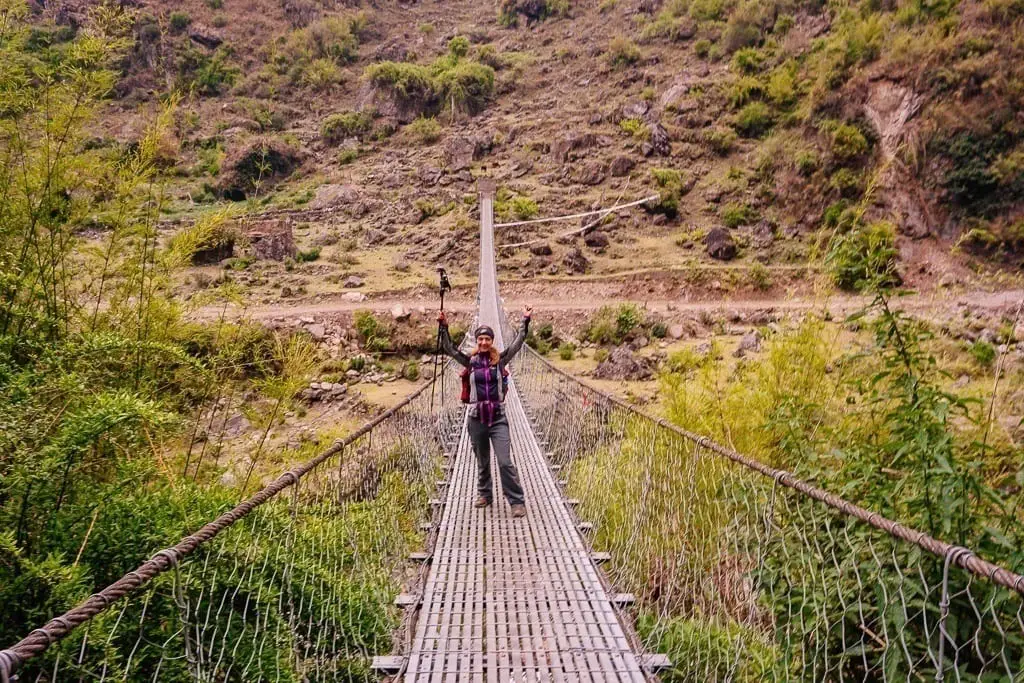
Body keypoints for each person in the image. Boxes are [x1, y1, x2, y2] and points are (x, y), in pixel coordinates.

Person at [437, 306, 533, 518]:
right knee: (482, 460)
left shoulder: (500, 360)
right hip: (475, 418)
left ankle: (516, 501)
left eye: (487, 339)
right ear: (476, 340)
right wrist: (443, 326)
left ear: (492, 341)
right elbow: (449, 348)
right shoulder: (469, 362)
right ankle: (484, 493)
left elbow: (518, 343)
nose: (483, 342)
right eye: (480, 339)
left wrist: (525, 321)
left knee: (505, 461)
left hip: (498, 417)